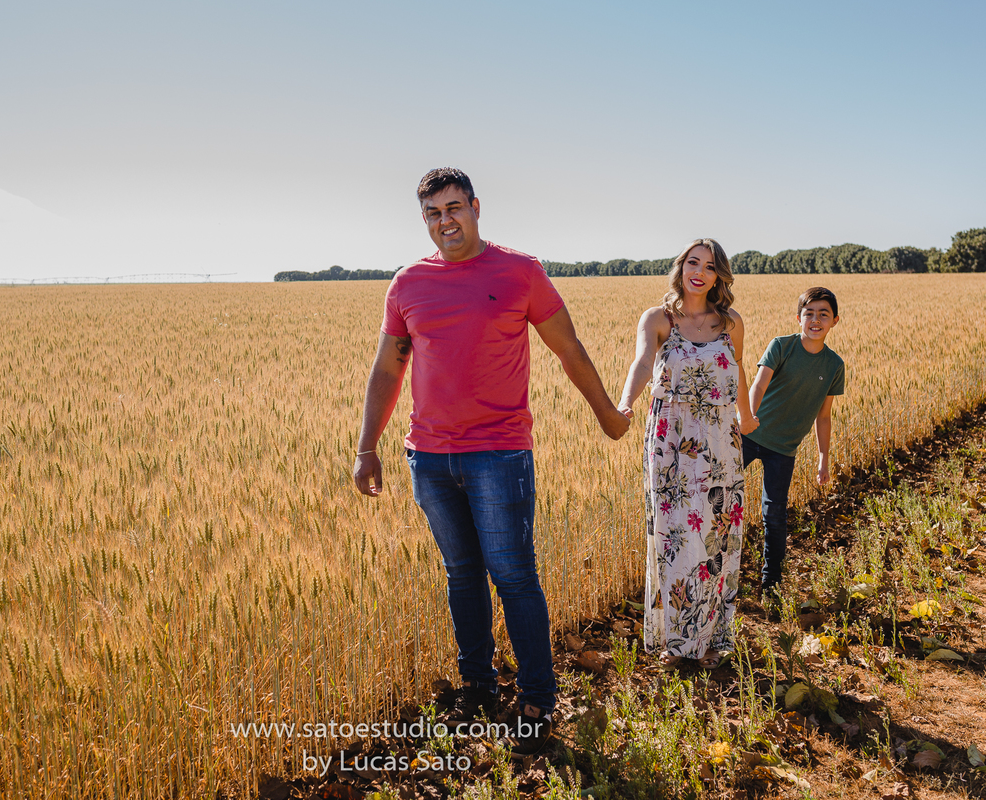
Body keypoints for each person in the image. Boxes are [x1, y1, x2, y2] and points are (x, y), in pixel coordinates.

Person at [352, 167, 630, 754]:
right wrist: (367, 446)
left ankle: (536, 696)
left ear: (476, 207)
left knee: (512, 575)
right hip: (428, 458)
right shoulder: (406, 285)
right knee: (461, 574)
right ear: (423, 219)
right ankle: (478, 685)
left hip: (500, 454)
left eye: (454, 208)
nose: (445, 221)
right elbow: (388, 368)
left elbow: (567, 346)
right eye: (432, 213)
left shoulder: (519, 271)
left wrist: (608, 412)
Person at [617, 239, 757, 669]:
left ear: (719, 276)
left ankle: (714, 638)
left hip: (719, 439)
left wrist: (747, 416)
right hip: (672, 440)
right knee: (675, 539)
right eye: (693, 262)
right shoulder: (658, 318)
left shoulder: (730, 321)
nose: (700, 271)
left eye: (710, 266)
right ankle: (678, 644)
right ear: (681, 268)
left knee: (717, 535)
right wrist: (625, 403)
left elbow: (737, 367)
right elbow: (643, 363)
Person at [744, 287, 844, 594]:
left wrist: (823, 458)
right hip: (749, 435)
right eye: (809, 313)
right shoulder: (781, 346)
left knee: (774, 515)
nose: (815, 320)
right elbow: (759, 385)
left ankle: (770, 583)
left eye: (823, 314)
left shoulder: (833, 365)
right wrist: (744, 419)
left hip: (784, 449)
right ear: (798, 318)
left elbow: (823, 415)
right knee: (718, 500)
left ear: (834, 321)